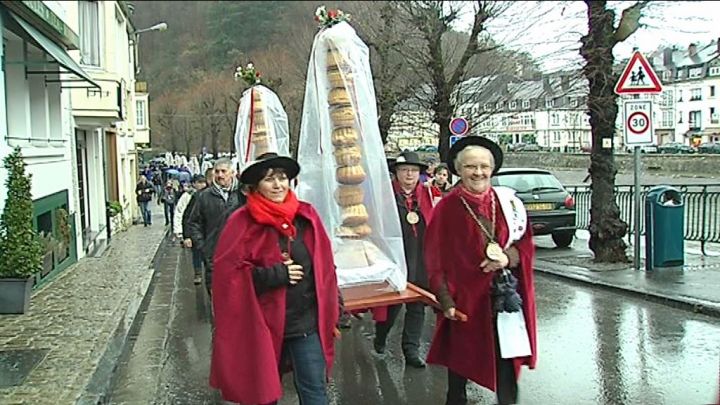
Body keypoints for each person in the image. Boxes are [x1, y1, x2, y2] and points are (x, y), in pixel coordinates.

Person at [210, 152, 341, 405]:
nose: (278, 185)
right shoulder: (241, 222)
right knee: (263, 395)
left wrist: (336, 304)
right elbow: (228, 277)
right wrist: (275, 275)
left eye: (282, 178)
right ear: (256, 186)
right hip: (262, 326)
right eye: (270, 179)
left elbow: (324, 268)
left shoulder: (306, 217)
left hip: (305, 324)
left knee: (315, 392)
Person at [424, 136, 537, 405]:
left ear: (493, 168)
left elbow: (525, 244)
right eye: (471, 167)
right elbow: (434, 258)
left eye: (484, 166)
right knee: (459, 367)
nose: (478, 172)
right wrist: (445, 300)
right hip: (464, 300)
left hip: (504, 297)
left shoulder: (508, 203)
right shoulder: (447, 207)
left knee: (507, 364)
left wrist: (507, 258)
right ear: (459, 170)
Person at [373, 151, 434, 368]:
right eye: (404, 170)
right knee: (392, 305)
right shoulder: (385, 195)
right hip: (395, 256)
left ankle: (411, 350)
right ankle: (380, 337)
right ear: (396, 173)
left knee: (418, 304)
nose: (409, 174)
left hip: (420, 256)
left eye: (414, 170)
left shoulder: (427, 195)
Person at [187, 158, 246, 296]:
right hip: (214, 254)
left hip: (240, 253)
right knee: (217, 295)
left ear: (232, 173)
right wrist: (203, 246)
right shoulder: (204, 196)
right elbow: (193, 222)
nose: (220, 175)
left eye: (223, 171)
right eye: (217, 172)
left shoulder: (242, 195)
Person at [176, 175, 208, 285]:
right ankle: (198, 273)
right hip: (196, 231)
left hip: (209, 231)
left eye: (203, 182)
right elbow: (186, 216)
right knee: (197, 252)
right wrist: (186, 235)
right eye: (199, 182)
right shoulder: (194, 196)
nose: (201, 185)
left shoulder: (212, 194)